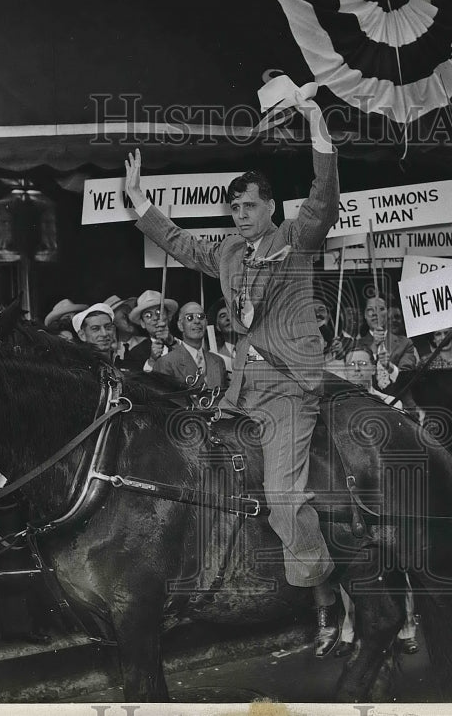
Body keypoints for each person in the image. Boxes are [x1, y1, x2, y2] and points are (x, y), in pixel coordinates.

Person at [124, 80, 343, 656]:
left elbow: (325, 190)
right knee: (200, 476)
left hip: (290, 388)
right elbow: (182, 244)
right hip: (239, 387)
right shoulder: (226, 252)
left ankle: (325, 599)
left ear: (271, 207)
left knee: (282, 496)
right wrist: (141, 205)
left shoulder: (299, 239)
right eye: (234, 208)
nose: (239, 215)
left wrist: (317, 124)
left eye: (248, 206)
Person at [153, 301, 229, 392]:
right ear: (180, 325)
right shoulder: (166, 363)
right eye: (190, 318)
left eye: (201, 317)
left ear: (206, 323)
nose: (197, 321)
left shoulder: (218, 361)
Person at [357, 297, 419, 391]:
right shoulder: (356, 345)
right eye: (370, 310)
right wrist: (374, 346)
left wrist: (389, 367)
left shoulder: (405, 343)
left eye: (381, 309)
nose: (375, 314)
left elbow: (406, 378)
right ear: (365, 315)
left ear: (387, 314)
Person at [126, 290, 179, 371]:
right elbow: (139, 382)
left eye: (159, 312)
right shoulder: (135, 354)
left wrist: (171, 342)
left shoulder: (183, 345)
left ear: (169, 316)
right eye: (148, 315)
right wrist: (152, 361)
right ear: (143, 323)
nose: (155, 318)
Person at [104, 295, 146, 366]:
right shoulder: (107, 349)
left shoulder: (145, 344)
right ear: (112, 321)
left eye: (131, 314)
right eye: (125, 316)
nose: (130, 319)